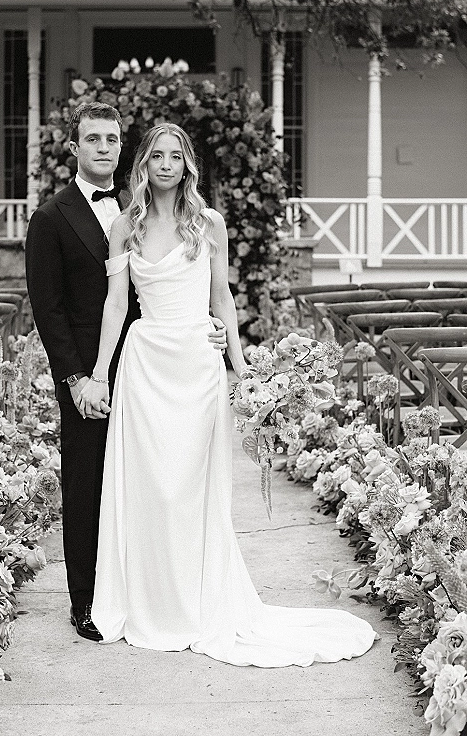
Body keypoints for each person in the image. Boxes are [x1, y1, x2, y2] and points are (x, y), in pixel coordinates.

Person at [79, 122, 378, 666]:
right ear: (142, 165)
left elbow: (223, 297)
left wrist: (239, 365)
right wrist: (100, 371)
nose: (166, 165)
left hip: (197, 363)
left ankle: (197, 601)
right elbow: (115, 306)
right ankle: (152, 602)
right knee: (152, 490)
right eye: (156, 156)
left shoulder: (208, 223)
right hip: (145, 366)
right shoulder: (125, 226)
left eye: (176, 156)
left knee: (191, 489)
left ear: (187, 165)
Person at [25, 103, 226, 643]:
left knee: (153, 486)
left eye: (112, 139)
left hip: (156, 365)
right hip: (91, 377)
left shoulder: (140, 211)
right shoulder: (50, 218)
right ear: (74, 148)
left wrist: (207, 328)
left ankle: (153, 591)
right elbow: (49, 310)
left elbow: (181, 282)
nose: (104, 148)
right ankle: (87, 600)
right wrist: (78, 380)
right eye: (92, 139)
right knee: (89, 484)